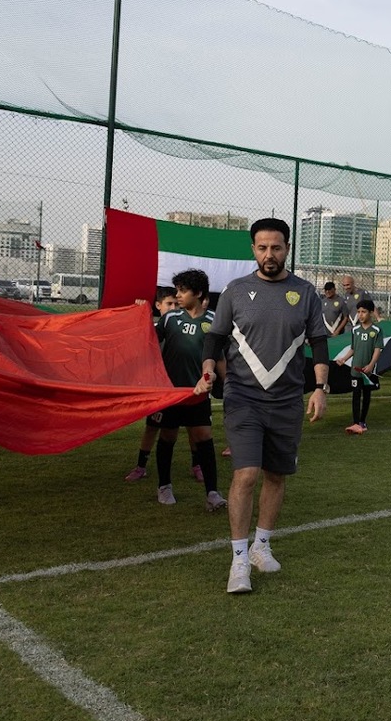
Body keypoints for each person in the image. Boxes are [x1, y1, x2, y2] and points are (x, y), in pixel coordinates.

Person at [195, 217, 328, 595]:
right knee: (246, 474)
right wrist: (208, 368)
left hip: (287, 401)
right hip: (244, 398)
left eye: (277, 247)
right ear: (253, 249)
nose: (269, 254)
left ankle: (261, 546)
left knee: (276, 475)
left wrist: (319, 388)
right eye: (262, 247)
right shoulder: (235, 291)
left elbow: (318, 342)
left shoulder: (305, 293)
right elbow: (215, 338)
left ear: (287, 249)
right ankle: (238, 560)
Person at [151, 270, 225, 510]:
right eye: (177, 290)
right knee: (168, 436)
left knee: (204, 437)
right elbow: (148, 338)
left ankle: (212, 493)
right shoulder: (170, 319)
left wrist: (227, 384)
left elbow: (220, 357)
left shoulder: (214, 321)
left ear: (199, 293)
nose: (178, 295)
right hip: (171, 392)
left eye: (183, 291)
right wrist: (137, 314)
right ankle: (164, 486)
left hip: (197, 393)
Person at [126, 286, 181, 482]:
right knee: (152, 427)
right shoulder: (154, 328)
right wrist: (139, 312)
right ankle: (141, 466)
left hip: (183, 387)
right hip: (161, 389)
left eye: (176, 303)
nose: (173, 307)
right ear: (158, 306)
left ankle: (198, 464)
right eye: (169, 304)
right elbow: (137, 337)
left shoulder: (185, 326)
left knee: (196, 428)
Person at [346, 299, 383, 434]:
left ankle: (362, 420)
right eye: (359, 312)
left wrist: (371, 365)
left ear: (371, 313)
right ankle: (355, 422)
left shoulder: (377, 330)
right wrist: (344, 358)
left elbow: (377, 350)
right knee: (356, 395)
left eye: (364, 312)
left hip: (368, 371)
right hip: (356, 370)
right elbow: (353, 348)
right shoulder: (355, 330)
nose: (360, 315)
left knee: (366, 395)